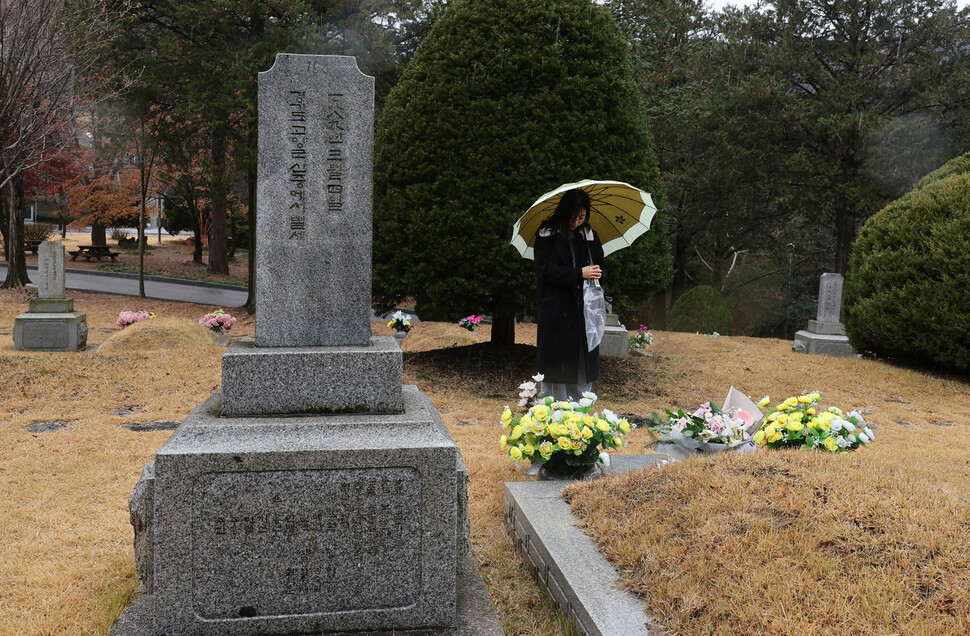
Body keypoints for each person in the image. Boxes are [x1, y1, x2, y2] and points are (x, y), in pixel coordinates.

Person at [534, 188, 605, 401]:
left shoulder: (589, 237)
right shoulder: (546, 234)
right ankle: (553, 411)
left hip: (584, 309)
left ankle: (580, 412)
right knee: (557, 365)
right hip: (557, 308)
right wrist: (578, 274)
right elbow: (544, 271)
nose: (576, 222)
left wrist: (598, 274)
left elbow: (602, 266)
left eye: (582, 217)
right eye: (572, 217)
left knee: (582, 363)